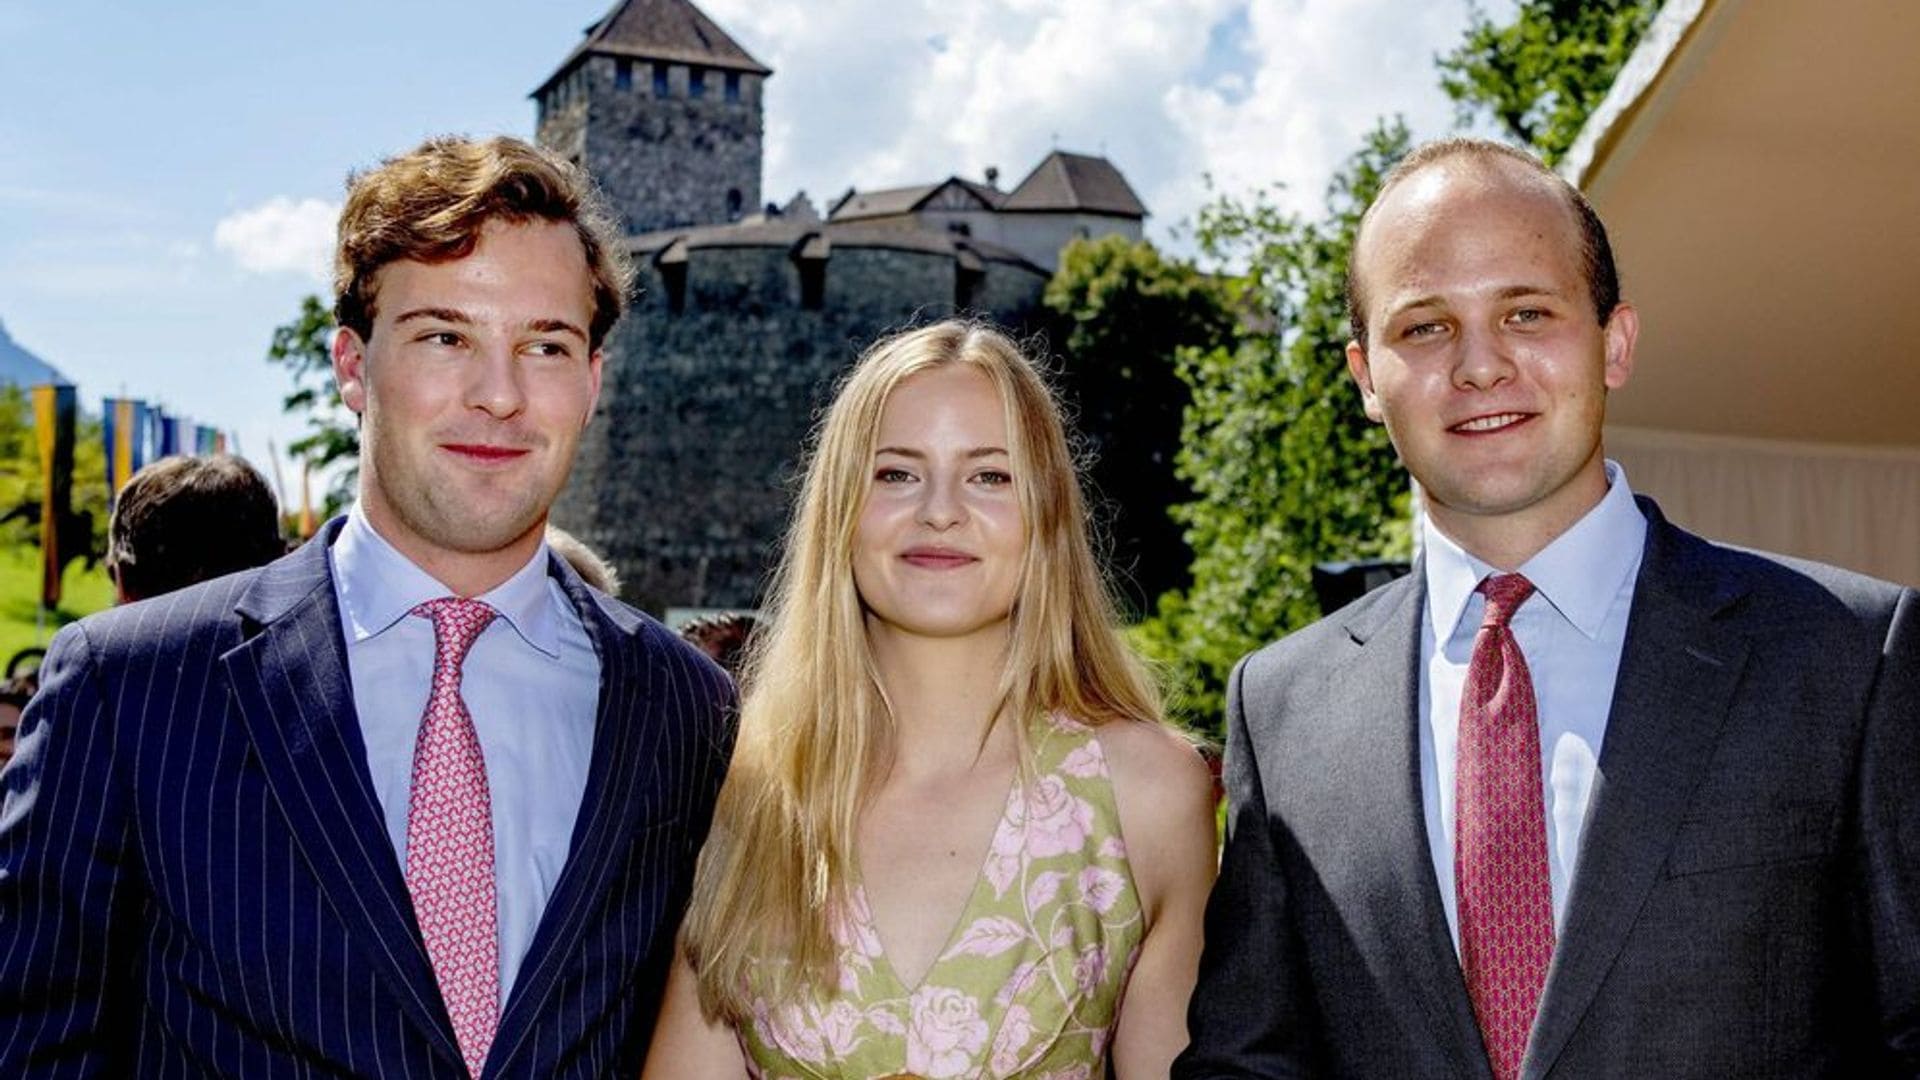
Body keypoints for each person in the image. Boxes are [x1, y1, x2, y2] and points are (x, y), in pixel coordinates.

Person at [1174, 136, 1920, 1079]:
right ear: (1366, 377)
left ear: (1615, 343)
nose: (1481, 365)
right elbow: (1252, 1062)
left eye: (1527, 312)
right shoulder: (1280, 710)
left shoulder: (1851, 658)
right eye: (1425, 327)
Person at [0, 135, 737, 1078]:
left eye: (545, 346)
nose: (500, 395)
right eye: (445, 337)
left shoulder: (683, 706)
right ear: (353, 364)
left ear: (592, 384)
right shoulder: (130, 687)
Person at [643, 321, 1217, 1077]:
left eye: (990, 476)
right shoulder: (745, 786)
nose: (939, 511)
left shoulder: (1145, 794)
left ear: (1046, 515)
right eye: (895, 475)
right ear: (839, 511)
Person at [104, 452, 287, 603]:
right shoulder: (309, 640)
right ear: (281, 560)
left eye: (113, 575)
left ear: (127, 583)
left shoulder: (91, 643)